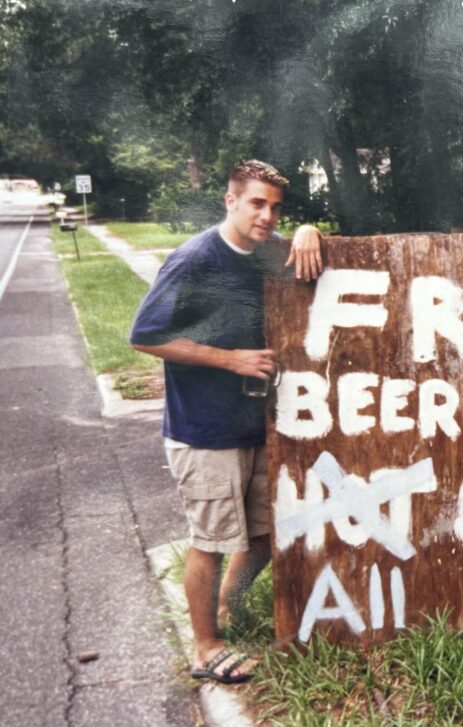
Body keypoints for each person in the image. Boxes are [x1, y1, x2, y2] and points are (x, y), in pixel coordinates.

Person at [130, 160, 324, 684]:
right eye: (257, 203)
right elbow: (145, 336)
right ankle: (206, 647)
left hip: (255, 424)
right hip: (205, 430)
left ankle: (224, 608)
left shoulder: (268, 250)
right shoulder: (194, 259)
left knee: (262, 534)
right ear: (231, 200)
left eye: (276, 207)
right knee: (211, 541)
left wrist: (309, 230)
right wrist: (229, 359)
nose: (267, 216)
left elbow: (303, 247)